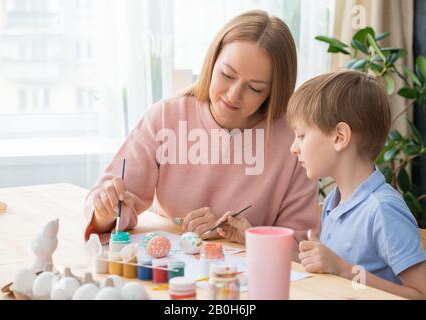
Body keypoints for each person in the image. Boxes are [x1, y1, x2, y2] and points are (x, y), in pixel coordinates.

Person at [83, 10, 318, 250]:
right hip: (172, 270)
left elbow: (301, 245)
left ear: (273, 91)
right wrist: (106, 210)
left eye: (255, 88)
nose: (233, 95)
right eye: (227, 75)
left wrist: (245, 235)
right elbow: (105, 208)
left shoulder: (294, 141)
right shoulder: (166, 117)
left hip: (251, 279)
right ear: (211, 63)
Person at [283, 69, 426, 299]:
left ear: (340, 137)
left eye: (301, 135)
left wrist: (344, 270)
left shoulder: (382, 210)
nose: (293, 147)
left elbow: (425, 294)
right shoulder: (333, 203)